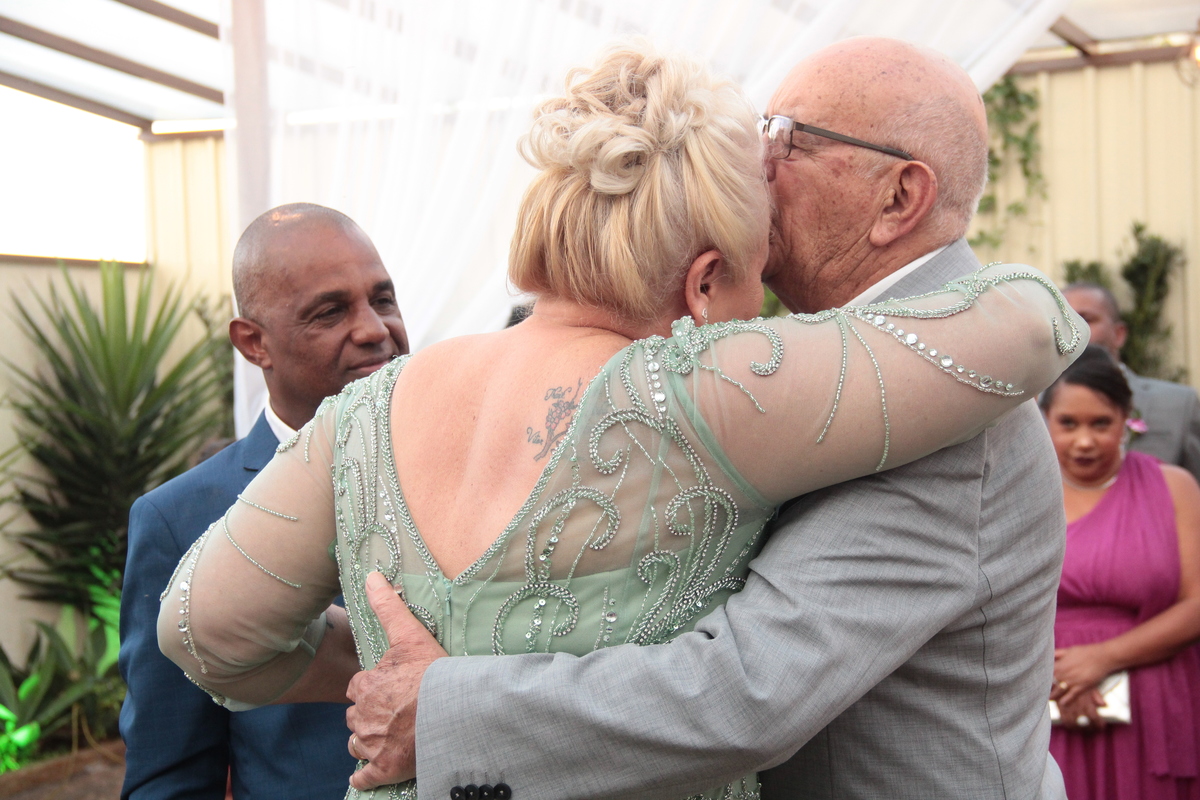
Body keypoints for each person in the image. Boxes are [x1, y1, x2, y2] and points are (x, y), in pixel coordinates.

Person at [157, 40, 1082, 800]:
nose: (763, 162)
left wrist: (430, 681)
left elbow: (201, 629)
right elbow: (1027, 319)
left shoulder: (373, 406)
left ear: (901, 196)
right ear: (702, 280)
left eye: (789, 138)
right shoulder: (721, 384)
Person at [119, 203, 408, 799]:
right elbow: (170, 775)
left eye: (382, 299)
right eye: (330, 312)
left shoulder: (463, 460)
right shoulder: (180, 519)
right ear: (254, 343)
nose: (375, 329)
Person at [1039, 346, 1200, 799]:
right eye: (1068, 424)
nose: (1084, 441)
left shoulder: (1174, 487)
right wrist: (1054, 676)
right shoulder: (1023, 494)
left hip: (1153, 696)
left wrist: (1103, 658)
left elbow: (1197, 604)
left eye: (1101, 424)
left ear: (1127, 418)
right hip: (1043, 695)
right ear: (1043, 417)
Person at [1063, 282, 1200, 483]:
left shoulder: (1178, 404)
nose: (1074, 330)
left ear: (1119, 334)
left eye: (1085, 319)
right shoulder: (1033, 409)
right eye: (1063, 322)